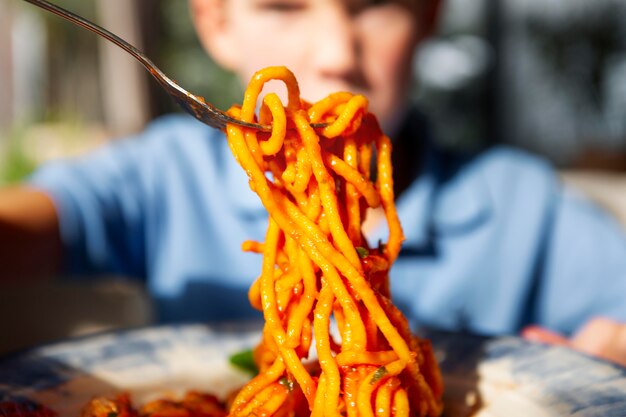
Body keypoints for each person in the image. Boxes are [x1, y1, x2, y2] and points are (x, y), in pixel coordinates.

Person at [1, 0, 625, 366]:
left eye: (373, 4)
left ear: (428, 14)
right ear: (215, 23)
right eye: (283, 4)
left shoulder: (520, 203)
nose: (335, 53)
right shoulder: (164, 176)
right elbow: (30, 225)